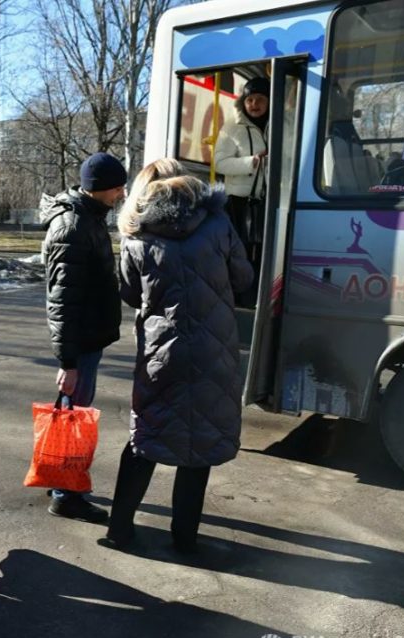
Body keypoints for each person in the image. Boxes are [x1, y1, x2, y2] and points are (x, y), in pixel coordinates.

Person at [102, 160, 254, 555]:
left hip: (162, 352)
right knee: (199, 444)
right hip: (213, 349)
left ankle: (119, 529)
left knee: (145, 437)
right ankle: (185, 539)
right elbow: (243, 279)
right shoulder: (218, 223)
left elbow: (131, 294)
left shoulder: (136, 236)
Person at [38, 152, 127, 523]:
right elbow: (62, 301)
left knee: (68, 412)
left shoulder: (88, 218)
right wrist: (67, 362)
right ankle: (66, 494)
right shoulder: (74, 226)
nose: (122, 193)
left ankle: (58, 478)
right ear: (99, 188)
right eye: (118, 186)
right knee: (74, 415)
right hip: (81, 342)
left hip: (88, 336)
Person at [214, 76, 269, 304]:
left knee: (262, 254)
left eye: (260, 100)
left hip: (265, 201)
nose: (254, 104)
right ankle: (237, 301)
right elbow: (219, 163)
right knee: (239, 255)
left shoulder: (280, 125)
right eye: (250, 99)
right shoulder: (231, 128)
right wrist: (252, 162)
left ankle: (256, 300)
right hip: (237, 203)